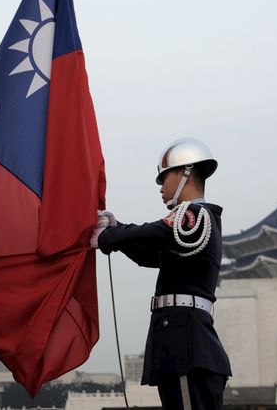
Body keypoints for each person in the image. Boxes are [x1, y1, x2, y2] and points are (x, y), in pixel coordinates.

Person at [91, 138, 232, 410]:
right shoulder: (188, 231)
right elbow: (150, 254)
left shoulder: (195, 215)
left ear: (185, 173)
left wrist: (111, 235)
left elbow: (160, 231)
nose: (161, 187)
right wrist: (116, 232)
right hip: (180, 340)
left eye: (164, 177)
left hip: (186, 343)